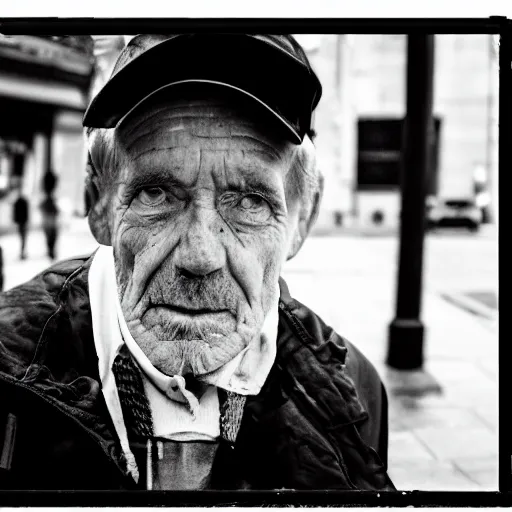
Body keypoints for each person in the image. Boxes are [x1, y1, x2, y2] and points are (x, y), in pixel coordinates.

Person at [0, 34, 395, 491]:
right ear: (99, 203)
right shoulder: (7, 373)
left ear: (302, 219)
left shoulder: (353, 393)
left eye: (249, 201)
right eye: (157, 193)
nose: (200, 256)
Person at [40, 194, 59, 261]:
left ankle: (50, 252)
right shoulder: (53, 205)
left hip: (47, 225)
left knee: (49, 240)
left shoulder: (44, 204)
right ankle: (51, 252)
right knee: (52, 239)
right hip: (52, 225)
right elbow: (57, 212)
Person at [12, 191, 29, 260]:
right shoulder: (24, 202)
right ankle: (23, 252)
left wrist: (15, 220)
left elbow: (15, 212)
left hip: (20, 222)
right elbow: (26, 212)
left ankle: (22, 252)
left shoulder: (17, 202)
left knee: (22, 237)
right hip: (23, 222)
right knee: (23, 237)